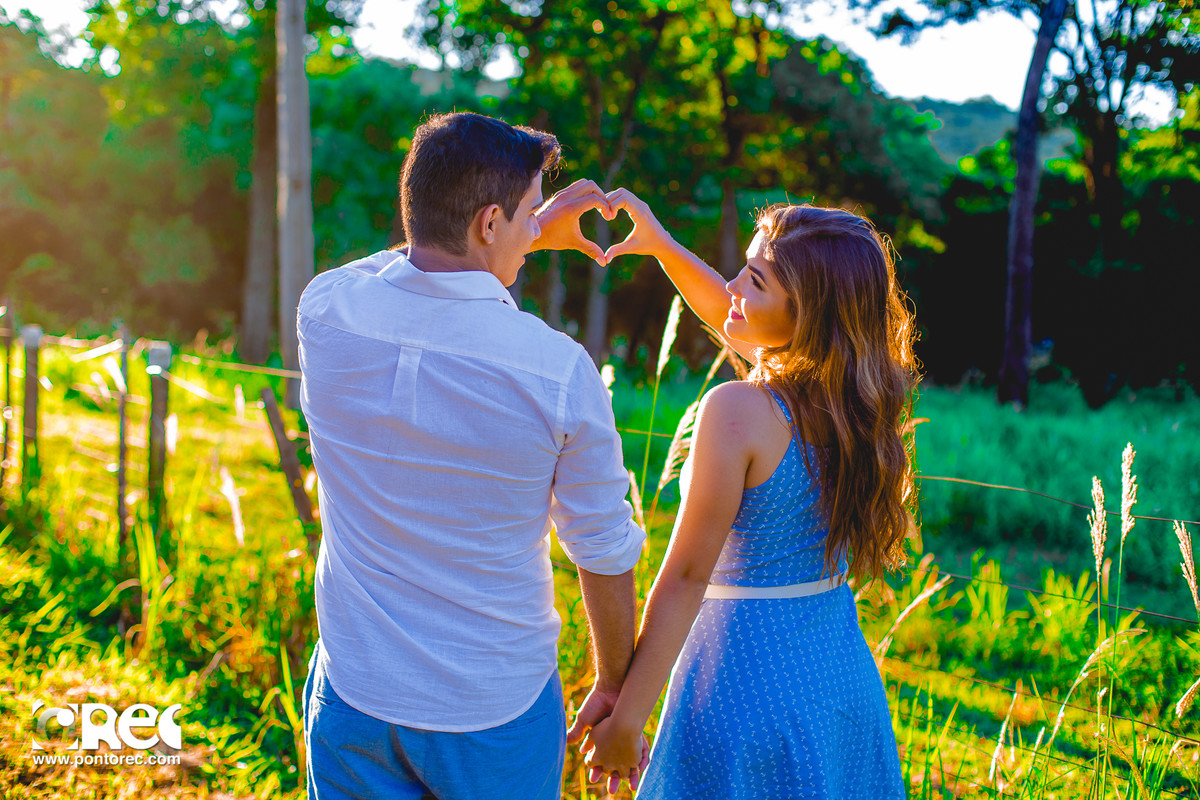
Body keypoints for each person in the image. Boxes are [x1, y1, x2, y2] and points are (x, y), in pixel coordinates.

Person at [297, 112, 647, 800]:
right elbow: (604, 550)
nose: (535, 229)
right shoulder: (556, 372)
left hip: (355, 692)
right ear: (489, 223)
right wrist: (613, 684)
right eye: (527, 214)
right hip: (494, 710)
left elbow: (408, 259)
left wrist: (523, 225)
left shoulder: (326, 310)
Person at [572, 190, 917, 798]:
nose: (731, 285)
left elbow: (686, 577)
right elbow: (734, 308)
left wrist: (627, 718)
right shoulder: (856, 400)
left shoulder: (737, 410)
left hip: (742, 691)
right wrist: (661, 246)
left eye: (753, 279)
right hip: (839, 689)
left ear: (806, 316)